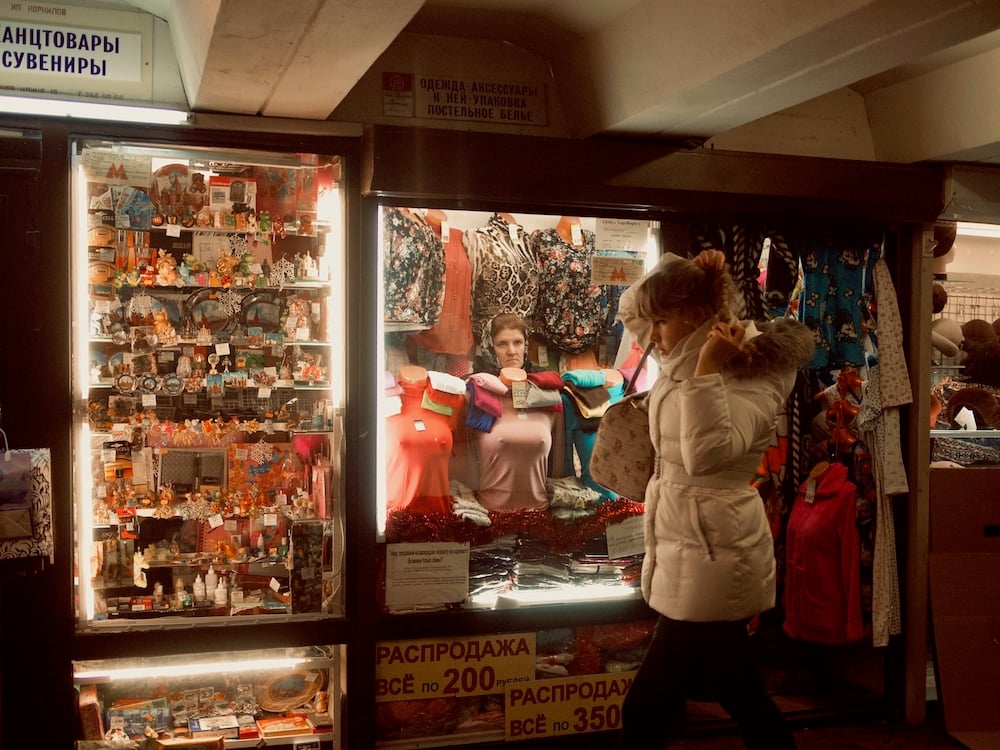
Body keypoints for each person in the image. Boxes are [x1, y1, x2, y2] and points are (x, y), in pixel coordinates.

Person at [614, 249, 814, 750]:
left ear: (692, 316)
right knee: (741, 694)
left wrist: (707, 370)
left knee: (645, 709)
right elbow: (630, 308)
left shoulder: (760, 370)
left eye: (663, 320)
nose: (651, 332)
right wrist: (694, 269)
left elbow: (707, 456)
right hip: (692, 549)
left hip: (713, 554)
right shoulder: (676, 349)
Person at [469, 314, 554, 511]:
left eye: (518, 342)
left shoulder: (544, 390)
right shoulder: (475, 392)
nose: (512, 351)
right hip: (490, 509)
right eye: (502, 344)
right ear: (489, 348)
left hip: (539, 510)